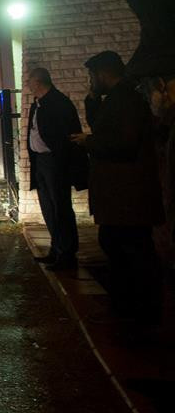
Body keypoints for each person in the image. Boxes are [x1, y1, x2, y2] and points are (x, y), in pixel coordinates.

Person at [71, 50, 164, 325]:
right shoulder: (115, 98)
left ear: (102, 73)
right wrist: (91, 100)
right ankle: (128, 307)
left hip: (128, 193)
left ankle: (139, 311)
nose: (90, 81)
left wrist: (88, 142)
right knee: (116, 244)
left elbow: (123, 143)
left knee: (131, 250)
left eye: (92, 75)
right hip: (121, 195)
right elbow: (103, 127)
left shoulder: (126, 99)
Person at [27, 67, 85, 270]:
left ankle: (67, 253)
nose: (28, 85)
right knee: (49, 207)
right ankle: (56, 248)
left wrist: (61, 157)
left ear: (38, 82)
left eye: (30, 81)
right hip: (41, 160)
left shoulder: (58, 103)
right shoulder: (38, 104)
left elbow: (65, 134)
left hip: (55, 161)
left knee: (60, 207)